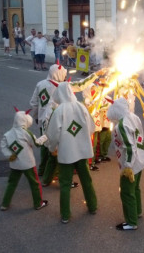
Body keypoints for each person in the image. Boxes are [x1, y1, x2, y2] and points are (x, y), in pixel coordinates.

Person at [46, 82, 98, 224]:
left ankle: (65, 215)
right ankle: (92, 206)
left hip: (66, 152)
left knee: (65, 183)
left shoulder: (59, 110)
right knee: (86, 179)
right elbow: (92, 127)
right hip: (82, 151)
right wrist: (83, 138)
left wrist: (52, 148)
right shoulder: (81, 107)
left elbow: (53, 134)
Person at [107, 97, 144, 230]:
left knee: (126, 191)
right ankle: (137, 211)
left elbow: (130, 147)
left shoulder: (121, 125)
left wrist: (128, 166)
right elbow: (140, 136)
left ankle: (131, 222)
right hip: (141, 157)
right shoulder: (133, 117)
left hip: (130, 162)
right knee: (135, 188)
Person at [0, 108, 48, 211]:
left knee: (11, 183)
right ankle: (38, 203)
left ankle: (5, 203)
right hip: (28, 164)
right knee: (34, 183)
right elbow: (36, 143)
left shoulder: (8, 134)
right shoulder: (26, 133)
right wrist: (45, 137)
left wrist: (9, 155)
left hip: (15, 164)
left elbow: (3, 145)